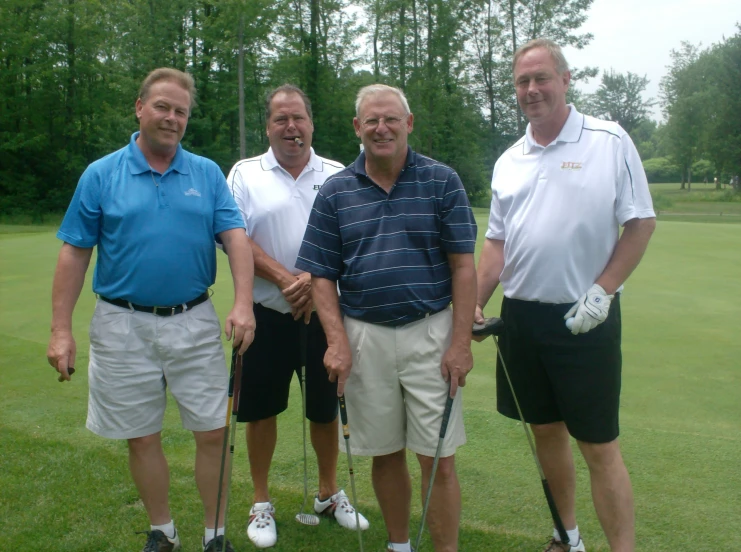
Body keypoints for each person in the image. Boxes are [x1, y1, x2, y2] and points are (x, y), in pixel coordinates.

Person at [46, 68, 256, 552]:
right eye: (162, 106)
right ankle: (163, 531)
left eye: (181, 111)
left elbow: (236, 239)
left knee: (213, 431)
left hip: (194, 319)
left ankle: (215, 534)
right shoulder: (101, 174)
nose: (172, 117)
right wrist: (61, 330)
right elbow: (74, 252)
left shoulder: (204, 172)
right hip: (121, 323)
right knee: (140, 437)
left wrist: (243, 303)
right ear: (140, 108)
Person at [474, 39, 656, 552]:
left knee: (599, 444)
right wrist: (474, 299)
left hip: (586, 319)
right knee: (546, 434)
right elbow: (496, 245)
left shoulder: (608, 140)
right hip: (522, 320)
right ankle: (566, 536)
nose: (531, 90)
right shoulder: (510, 159)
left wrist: (603, 290)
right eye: (522, 82)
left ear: (564, 79)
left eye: (541, 78)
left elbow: (640, 222)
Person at [296, 84, 478, 552]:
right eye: (372, 121)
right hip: (364, 336)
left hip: (430, 332)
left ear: (408, 123)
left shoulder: (442, 181)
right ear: (358, 128)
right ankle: (399, 545)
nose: (382, 128)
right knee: (383, 452)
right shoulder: (335, 192)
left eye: (391, 119)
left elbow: (463, 266)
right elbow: (321, 277)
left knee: (439, 457)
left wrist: (460, 344)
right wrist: (335, 342)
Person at [225, 84, 368, 549]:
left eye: (298, 118)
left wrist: (310, 282)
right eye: (281, 119)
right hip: (266, 314)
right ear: (268, 127)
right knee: (261, 412)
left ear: (311, 123)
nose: (291, 127)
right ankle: (261, 501)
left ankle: (328, 493)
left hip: (325, 316)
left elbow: (352, 237)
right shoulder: (246, 173)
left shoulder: (338, 173)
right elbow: (235, 237)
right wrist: (288, 280)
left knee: (324, 412)